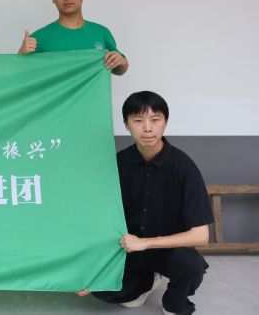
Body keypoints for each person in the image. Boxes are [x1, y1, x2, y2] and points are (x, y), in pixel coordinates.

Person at [78, 91, 212, 314]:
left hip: (167, 249)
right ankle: (145, 283)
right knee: (100, 289)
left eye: (155, 119)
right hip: (126, 248)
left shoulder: (183, 167)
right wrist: (90, 270)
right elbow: (98, 217)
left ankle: (174, 303)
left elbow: (201, 236)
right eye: (138, 120)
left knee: (191, 265)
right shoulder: (117, 163)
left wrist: (146, 243)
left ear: (165, 122)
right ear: (126, 124)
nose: (147, 128)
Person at [18, 0, 128, 75]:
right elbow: (19, 73)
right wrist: (21, 54)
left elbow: (119, 70)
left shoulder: (101, 33)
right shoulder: (38, 38)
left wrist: (121, 61)